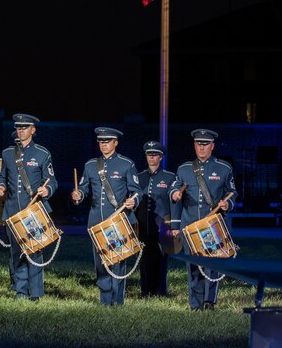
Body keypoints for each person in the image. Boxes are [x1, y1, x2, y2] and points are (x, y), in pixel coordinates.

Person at [71, 127, 141, 305]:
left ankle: (117, 301)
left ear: (115, 143)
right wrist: (78, 195)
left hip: (118, 221)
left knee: (117, 260)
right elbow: (84, 189)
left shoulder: (127, 164)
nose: (103, 145)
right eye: (101, 142)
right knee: (101, 262)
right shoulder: (90, 165)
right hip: (96, 221)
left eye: (107, 141)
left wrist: (134, 201)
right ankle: (105, 300)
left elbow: (136, 191)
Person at [169, 128, 237, 311]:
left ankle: (210, 301)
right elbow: (174, 189)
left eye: (205, 144)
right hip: (190, 224)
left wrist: (226, 205)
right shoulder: (184, 169)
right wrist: (174, 194)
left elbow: (233, 194)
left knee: (213, 264)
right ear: (194, 145)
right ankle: (195, 303)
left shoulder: (224, 168)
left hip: (213, 225)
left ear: (212, 146)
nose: (202, 148)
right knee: (193, 265)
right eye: (199, 144)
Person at [0, 113, 58, 301]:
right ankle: (20, 290)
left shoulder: (42, 153)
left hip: (34, 212)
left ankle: (36, 292)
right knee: (16, 252)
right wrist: (1, 187)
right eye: (18, 128)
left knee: (34, 250)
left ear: (33, 130)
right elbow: (2, 177)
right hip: (13, 209)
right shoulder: (7, 154)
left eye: (24, 127)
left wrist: (47, 190)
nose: (20, 130)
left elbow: (52, 180)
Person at [136, 140, 180, 297]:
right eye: (149, 155)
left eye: (154, 155)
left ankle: (160, 291)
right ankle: (145, 291)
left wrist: (175, 225)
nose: (151, 158)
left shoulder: (169, 177)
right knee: (144, 258)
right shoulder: (138, 177)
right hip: (143, 224)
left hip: (162, 225)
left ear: (160, 157)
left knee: (161, 258)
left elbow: (174, 203)